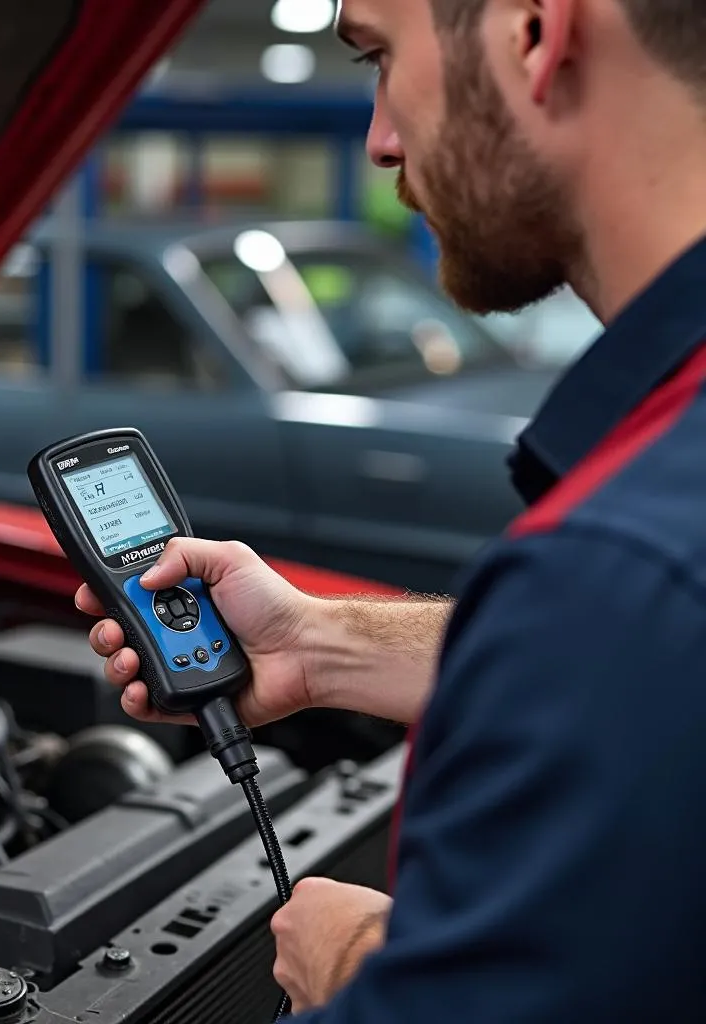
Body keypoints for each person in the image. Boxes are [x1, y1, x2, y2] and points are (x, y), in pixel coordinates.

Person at [78, 0, 706, 1018]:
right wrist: (317, 643)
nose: (376, 138)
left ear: (536, 32)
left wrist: (359, 965)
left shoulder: (621, 567)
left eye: (377, 55)